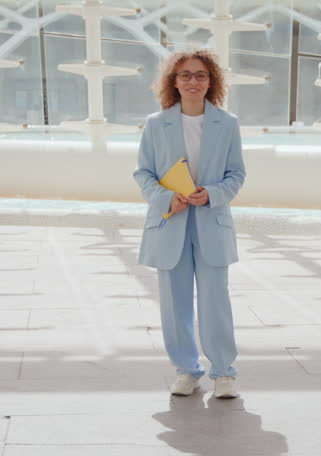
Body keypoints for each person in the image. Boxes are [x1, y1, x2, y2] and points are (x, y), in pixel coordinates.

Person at [133, 48, 246, 398]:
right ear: (174, 82)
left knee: (215, 300)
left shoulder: (227, 124)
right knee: (174, 303)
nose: (193, 81)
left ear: (211, 81)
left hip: (211, 221)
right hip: (171, 223)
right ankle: (186, 369)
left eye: (200, 74)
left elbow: (236, 174)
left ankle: (224, 372)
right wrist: (167, 198)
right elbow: (144, 173)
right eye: (185, 75)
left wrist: (212, 192)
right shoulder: (156, 124)